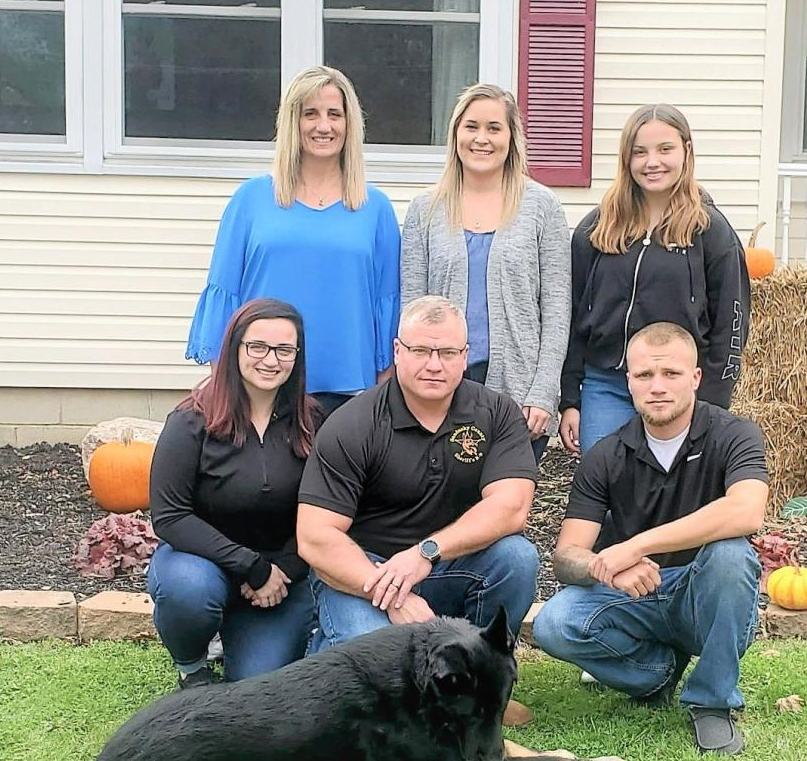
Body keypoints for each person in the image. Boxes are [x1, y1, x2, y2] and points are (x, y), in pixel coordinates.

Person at [296, 295, 540, 724]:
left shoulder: (496, 413)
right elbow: (316, 536)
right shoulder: (354, 423)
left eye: (447, 352)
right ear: (397, 351)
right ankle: (328, 650)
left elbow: (511, 507)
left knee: (517, 558)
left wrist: (426, 552)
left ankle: (477, 681)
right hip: (364, 575)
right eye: (421, 351)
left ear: (465, 357)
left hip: (445, 566)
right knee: (375, 674)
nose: (434, 364)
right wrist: (391, 592)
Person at [533, 323, 768, 755]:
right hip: (636, 593)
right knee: (554, 622)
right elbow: (567, 555)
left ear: (696, 379)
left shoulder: (734, 435)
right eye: (644, 376)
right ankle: (657, 675)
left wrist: (635, 546)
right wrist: (607, 569)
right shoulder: (605, 454)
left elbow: (746, 510)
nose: (657, 387)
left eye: (671, 374)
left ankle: (712, 702)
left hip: (705, 594)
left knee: (731, 556)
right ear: (629, 382)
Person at [186, 66, 400, 414]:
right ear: (292, 122)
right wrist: (224, 385)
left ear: (350, 124)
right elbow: (225, 293)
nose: (323, 126)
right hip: (262, 387)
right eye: (310, 114)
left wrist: (382, 392)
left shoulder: (375, 209)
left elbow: (386, 304)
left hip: (349, 395)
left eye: (334, 114)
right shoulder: (250, 199)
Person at [149, 299, 324, 687]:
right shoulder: (191, 420)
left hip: (282, 578)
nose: (270, 360)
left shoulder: (315, 423)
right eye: (257, 346)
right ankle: (192, 666)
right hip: (201, 564)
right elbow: (170, 516)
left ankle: (240, 640)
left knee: (255, 689)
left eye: (284, 350)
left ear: (298, 355)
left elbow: (329, 510)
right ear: (235, 348)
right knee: (188, 592)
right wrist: (251, 566)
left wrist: (286, 570)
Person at [559, 104, 749, 456]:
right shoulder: (595, 230)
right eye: (640, 152)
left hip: (679, 390)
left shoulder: (711, 232)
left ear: (686, 152)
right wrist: (570, 398)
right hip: (607, 385)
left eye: (665, 149)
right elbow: (571, 319)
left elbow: (731, 325)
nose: (652, 162)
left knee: (674, 494)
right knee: (606, 489)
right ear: (626, 158)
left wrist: (711, 405)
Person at [401, 83, 571, 462]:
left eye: (494, 128)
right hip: (439, 385)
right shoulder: (424, 211)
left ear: (511, 138)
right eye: (471, 126)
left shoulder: (542, 208)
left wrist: (544, 392)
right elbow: (411, 309)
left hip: (519, 392)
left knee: (507, 512)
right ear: (455, 133)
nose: (482, 139)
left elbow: (558, 311)